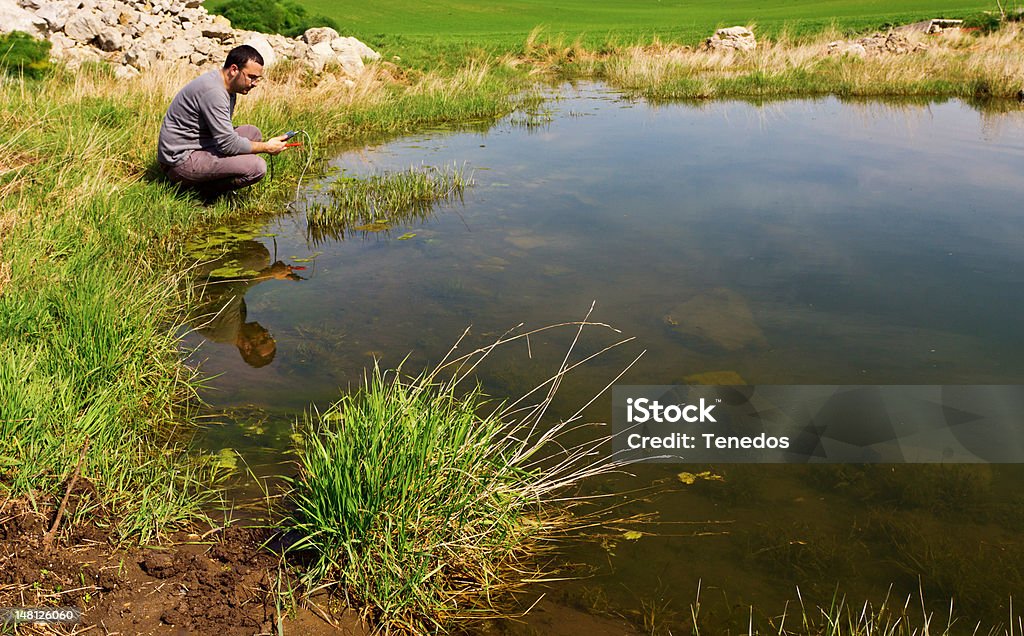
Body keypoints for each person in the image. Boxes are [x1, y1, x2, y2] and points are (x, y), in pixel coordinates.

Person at [157, 45, 288, 198]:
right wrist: (266, 147)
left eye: (258, 78)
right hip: (179, 161)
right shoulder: (214, 92)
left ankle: (205, 182)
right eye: (251, 77)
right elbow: (227, 144)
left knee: (253, 133)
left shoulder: (228, 87)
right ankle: (202, 193)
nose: (254, 83)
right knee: (257, 167)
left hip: (200, 144)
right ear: (234, 70)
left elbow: (224, 139)